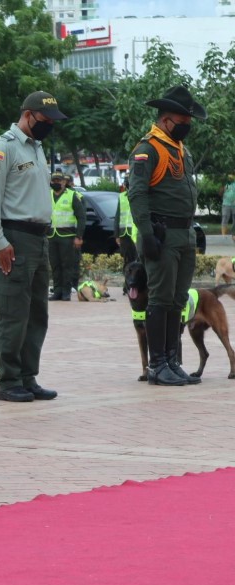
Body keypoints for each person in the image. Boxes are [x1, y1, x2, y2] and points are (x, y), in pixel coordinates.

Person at [0, 91, 67, 403]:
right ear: (28, 115)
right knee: (12, 313)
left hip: (39, 239)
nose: (49, 126)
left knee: (36, 313)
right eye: (45, 120)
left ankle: (28, 377)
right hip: (13, 239)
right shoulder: (4, 148)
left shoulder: (38, 148)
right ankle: (9, 380)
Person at [128, 84, 206, 387]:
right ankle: (157, 364)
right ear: (165, 120)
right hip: (161, 235)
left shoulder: (179, 148)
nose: (186, 126)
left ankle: (172, 361)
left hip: (183, 234)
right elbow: (137, 194)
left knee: (177, 300)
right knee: (159, 300)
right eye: (182, 121)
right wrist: (146, 234)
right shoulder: (147, 149)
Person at [47, 171, 85, 301]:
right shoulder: (48, 195)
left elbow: (81, 217)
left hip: (68, 235)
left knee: (67, 265)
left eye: (59, 181)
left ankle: (66, 291)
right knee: (55, 265)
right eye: (54, 181)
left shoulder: (72, 195)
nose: (56, 183)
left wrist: (78, 236)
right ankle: (57, 291)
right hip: (52, 235)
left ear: (64, 182)